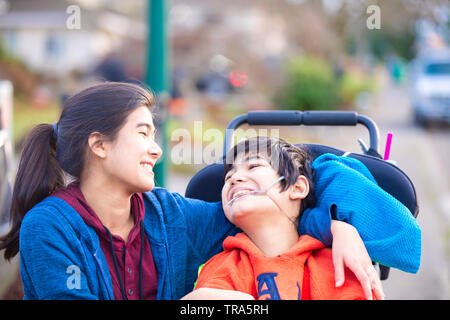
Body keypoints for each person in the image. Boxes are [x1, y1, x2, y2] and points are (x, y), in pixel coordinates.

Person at [0, 82, 415, 300]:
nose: (156, 149)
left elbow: (270, 208)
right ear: (100, 145)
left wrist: (337, 223)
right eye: (143, 133)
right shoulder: (49, 227)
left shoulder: (169, 217)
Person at [183, 137, 421, 300]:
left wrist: (341, 227)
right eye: (229, 177)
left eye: (253, 166)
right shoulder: (226, 266)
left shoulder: (336, 264)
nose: (234, 179)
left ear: (297, 188)